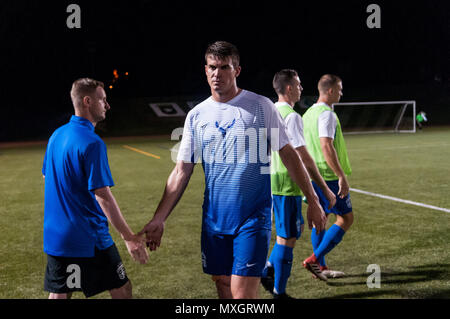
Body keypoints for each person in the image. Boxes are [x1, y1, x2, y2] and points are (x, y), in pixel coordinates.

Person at [140, 41, 327, 299]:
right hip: (214, 220)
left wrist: (314, 200)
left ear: (237, 70)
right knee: (223, 285)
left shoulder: (261, 106)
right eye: (212, 67)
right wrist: (160, 217)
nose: (217, 74)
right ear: (205, 70)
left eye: (224, 67)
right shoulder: (196, 116)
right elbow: (182, 170)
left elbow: (289, 155)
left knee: (243, 295)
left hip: (252, 218)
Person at [42, 78, 148, 299]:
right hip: (88, 236)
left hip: (57, 235)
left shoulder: (56, 135)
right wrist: (129, 237)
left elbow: (46, 175)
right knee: (122, 288)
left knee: (60, 293)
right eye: (103, 99)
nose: (107, 105)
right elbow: (103, 197)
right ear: (88, 101)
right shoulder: (92, 142)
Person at [261, 70, 337, 298]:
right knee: (288, 238)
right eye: (298, 84)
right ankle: (278, 291)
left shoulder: (270, 111)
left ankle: (268, 273)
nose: (302, 88)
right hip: (287, 183)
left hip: (272, 180)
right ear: (288, 88)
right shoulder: (291, 117)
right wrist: (322, 188)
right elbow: (302, 156)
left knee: (287, 233)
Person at [302, 74, 353, 280]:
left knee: (320, 221)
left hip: (311, 176)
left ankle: (320, 269)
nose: (341, 93)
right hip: (328, 177)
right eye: (339, 89)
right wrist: (341, 175)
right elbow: (326, 145)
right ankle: (315, 259)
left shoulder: (307, 115)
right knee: (346, 218)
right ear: (330, 90)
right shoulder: (327, 114)